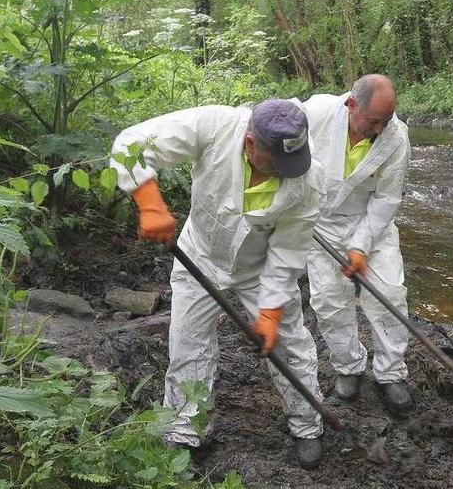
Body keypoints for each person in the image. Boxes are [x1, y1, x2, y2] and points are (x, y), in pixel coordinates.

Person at [109, 99, 326, 469]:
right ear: (250, 143)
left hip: (260, 267)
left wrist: (270, 313)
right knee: (187, 344)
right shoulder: (213, 126)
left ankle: (307, 424)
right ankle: (185, 430)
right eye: (276, 164)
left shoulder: (308, 179)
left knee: (290, 345)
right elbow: (130, 144)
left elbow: (288, 252)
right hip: (202, 253)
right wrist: (149, 203)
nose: (285, 173)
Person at [302, 74, 413, 412]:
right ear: (352, 105)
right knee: (329, 301)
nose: (381, 129)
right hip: (320, 225)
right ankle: (348, 366)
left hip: (370, 224)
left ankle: (391, 373)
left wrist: (361, 246)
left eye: (387, 120)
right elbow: (276, 135)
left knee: (390, 293)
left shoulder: (397, 138)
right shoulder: (316, 113)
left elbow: (386, 199)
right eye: (375, 121)